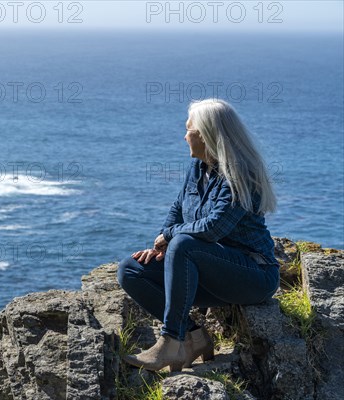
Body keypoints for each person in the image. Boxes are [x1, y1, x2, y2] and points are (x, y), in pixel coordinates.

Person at [116, 98, 280, 372]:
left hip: (253, 274)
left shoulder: (240, 174)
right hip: (209, 270)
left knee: (183, 244)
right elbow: (178, 208)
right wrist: (161, 243)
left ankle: (170, 342)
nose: (184, 136)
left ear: (205, 135)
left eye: (188, 130)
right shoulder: (198, 167)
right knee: (131, 269)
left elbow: (215, 227)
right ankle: (194, 337)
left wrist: (170, 237)